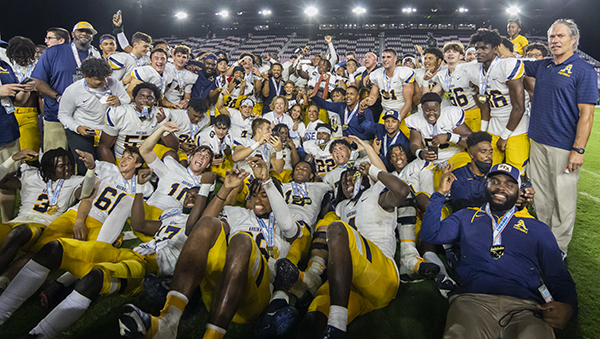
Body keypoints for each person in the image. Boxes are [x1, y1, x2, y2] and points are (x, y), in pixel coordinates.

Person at [119, 159, 300, 339]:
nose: (258, 200)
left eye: (265, 194)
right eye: (255, 194)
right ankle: (169, 320)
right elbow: (194, 229)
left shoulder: (286, 222)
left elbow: (288, 226)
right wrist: (225, 189)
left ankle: (212, 336)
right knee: (207, 223)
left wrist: (267, 181)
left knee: (242, 241)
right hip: (220, 289)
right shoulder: (239, 213)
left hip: (254, 297)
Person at [0, 181, 206, 338]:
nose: (192, 196)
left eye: (198, 195)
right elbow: (140, 225)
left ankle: (39, 334)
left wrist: (205, 189)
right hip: (131, 253)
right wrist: (140, 188)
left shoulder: (207, 224)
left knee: (94, 278)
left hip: (145, 267)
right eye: (190, 193)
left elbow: (193, 228)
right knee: (53, 249)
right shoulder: (172, 214)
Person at [422, 163, 578, 338]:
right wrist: (440, 193)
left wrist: (568, 306)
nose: (501, 188)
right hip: (472, 301)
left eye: (509, 185)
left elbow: (557, 273)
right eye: (495, 182)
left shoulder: (537, 228)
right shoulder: (467, 216)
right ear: (486, 186)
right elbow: (430, 235)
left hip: (526, 306)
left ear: (519, 192)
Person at [287, 160, 410, 339]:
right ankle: (312, 281)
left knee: (337, 229)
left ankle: (337, 326)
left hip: (380, 275)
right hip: (347, 283)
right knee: (312, 319)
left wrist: (373, 170)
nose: (348, 183)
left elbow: (402, 191)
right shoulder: (342, 207)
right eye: (344, 182)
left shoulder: (375, 194)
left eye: (353, 179)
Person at [521, 19, 598, 255]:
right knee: (542, 196)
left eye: (560, 36)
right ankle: (544, 240)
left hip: (564, 146)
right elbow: (511, 63)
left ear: (573, 39)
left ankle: (559, 248)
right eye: (552, 37)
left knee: (563, 199)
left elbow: (587, 114)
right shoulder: (542, 66)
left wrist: (579, 149)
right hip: (538, 141)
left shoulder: (583, 70)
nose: (554, 41)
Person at [0, 148, 95, 275]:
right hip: (16, 222)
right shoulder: (30, 174)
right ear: (49, 167)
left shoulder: (75, 181)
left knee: (18, 232)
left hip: (41, 227)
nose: (68, 169)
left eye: (69, 164)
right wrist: (12, 159)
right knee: (14, 231)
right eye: (62, 166)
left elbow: (86, 192)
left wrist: (91, 169)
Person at [31, 21, 101, 152]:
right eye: (81, 31)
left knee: (80, 161)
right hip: (56, 114)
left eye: (89, 32)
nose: (85, 34)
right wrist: (57, 96)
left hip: (85, 118)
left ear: (92, 36)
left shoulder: (96, 55)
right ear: (73, 34)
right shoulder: (53, 52)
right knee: (54, 159)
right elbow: (37, 80)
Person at [464, 28, 527, 170]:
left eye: (484, 48)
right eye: (476, 48)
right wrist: (483, 132)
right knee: (489, 168)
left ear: (495, 49)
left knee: (516, 172)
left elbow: (519, 107)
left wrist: (505, 136)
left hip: (516, 126)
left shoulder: (507, 65)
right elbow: (484, 105)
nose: (478, 52)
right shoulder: (474, 70)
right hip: (494, 124)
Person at [58, 58, 130, 174]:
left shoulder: (113, 83)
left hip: (107, 130)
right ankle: (85, 189)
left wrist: (119, 101)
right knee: (85, 165)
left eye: (105, 77)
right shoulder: (72, 90)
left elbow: (127, 99)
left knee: (108, 165)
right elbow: (63, 115)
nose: (104, 82)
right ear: (85, 77)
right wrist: (77, 127)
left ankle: (106, 188)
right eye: (98, 79)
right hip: (83, 129)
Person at [98, 82, 178, 164]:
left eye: (149, 98)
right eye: (141, 96)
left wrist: (162, 124)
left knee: (171, 155)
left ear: (155, 101)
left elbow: (173, 147)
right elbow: (104, 146)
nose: (145, 100)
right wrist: (112, 172)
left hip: (148, 157)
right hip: (125, 158)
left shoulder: (161, 114)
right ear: (135, 98)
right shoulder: (119, 112)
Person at [0, 55, 32, 223]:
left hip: (7, 130)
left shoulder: (4, 65)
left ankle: (6, 224)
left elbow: (17, 101)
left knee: (7, 180)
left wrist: (25, 90)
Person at [405, 92, 472, 173]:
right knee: (409, 173)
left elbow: (472, 141)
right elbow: (414, 144)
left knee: (462, 168)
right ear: (422, 107)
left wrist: (449, 137)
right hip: (430, 160)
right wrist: (421, 153)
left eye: (435, 110)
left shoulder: (451, 115)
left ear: (440, 107)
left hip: (454, 155)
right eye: (427, 110)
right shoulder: (415, 120)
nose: (431, 114)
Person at [429, 41, 482, 132]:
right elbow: (431, 95)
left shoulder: (468, 68)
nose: (451, 54)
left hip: (472, 112)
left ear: (461, 56)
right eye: (448, 51)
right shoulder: (441, 74)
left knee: (476, 143)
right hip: (457, 115)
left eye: (455, 52)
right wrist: (425, 81)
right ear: (444, 56)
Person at [6, 36, 42, 157]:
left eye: (26, 57)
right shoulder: (7, 67)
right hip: (10, 112)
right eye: (18, 57)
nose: (22, 60)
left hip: (30, 113)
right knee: (11, 154)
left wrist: (37, 88)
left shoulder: (38, 66)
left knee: (30, 153)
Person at [366, 49, 415, 125]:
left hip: (402, 113)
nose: (385, 60)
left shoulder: (404, 73)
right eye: (383, 57)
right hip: (385, 113)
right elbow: (372, 97)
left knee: (403, 136)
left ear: (395, 59)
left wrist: (398, 119)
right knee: (380, 136)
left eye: (388, 57)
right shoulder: (376, 74)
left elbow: (408, 102)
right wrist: (366, 101)